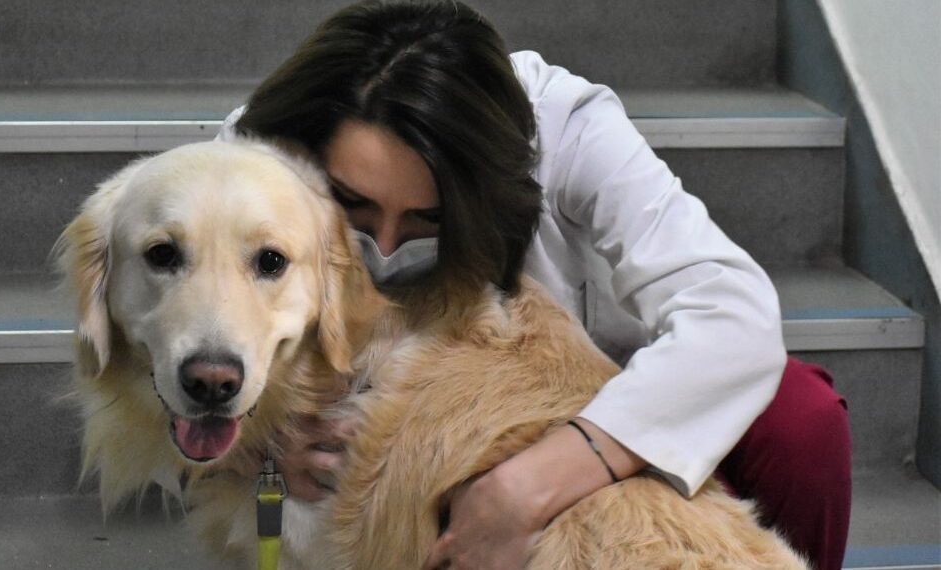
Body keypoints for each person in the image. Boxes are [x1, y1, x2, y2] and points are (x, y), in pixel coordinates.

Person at [217, 1, 852, 568]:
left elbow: (732, 310)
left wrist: (534, 483)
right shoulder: (253, 157)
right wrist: (257, 437)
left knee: (801, 419)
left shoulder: (565, 125)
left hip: (603, 402)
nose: (383, 248)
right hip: (420, 434)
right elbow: (165, 349)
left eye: (426, 218)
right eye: (351, 204)